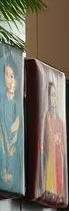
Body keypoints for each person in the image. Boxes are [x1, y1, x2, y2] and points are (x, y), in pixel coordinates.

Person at [40, 80, 65, 200]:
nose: (53, 98)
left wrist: (59, 141)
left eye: (55, 95)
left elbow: (63, 148)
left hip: (57, 158)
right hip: (48, 156)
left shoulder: (60, 121)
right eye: (51, 95)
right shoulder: (45, 117)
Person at [0, 56, 22, 190]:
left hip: (13, 152)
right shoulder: (1, 103)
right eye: (7, 75)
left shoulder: (17, 104)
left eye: (12, 76)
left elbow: (15, 127)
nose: (9, 79)